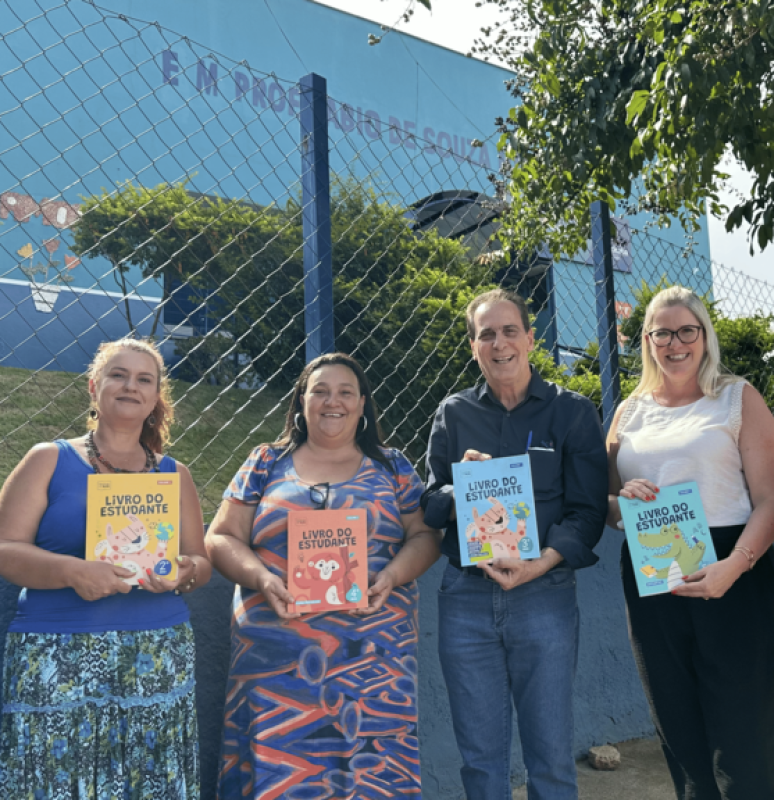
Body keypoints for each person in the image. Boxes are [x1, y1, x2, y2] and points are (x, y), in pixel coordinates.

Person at [207, 352, 440, 800]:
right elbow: (221, 538)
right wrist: (261, 579)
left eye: (345, 392)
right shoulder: (265, 462)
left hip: (373, 669)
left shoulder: (393, 467)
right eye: (320, 391)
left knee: (369, 776)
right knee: (279, 774)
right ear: (301, 401)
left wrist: (391, 575)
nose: (333, 401)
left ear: (362, 405)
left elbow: (425, 537)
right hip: (276, 668)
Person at [0, 337, 210, 799]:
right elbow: (5, 549)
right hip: (54, 653)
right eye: (118, 375)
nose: (129, 386)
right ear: (93, 387)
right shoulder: (48, 459)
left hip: (157, 657)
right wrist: (72, 572)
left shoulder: (174, 474)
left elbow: (201, 562)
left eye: (143, 379)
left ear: (156, 398)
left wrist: (183, 573)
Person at [421, 288, 608, 799]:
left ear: (530, 338)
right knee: (481, 763)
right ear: (473, 345)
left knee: (550, 759)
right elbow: (431, 504)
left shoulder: (572, 413)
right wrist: (461, 485)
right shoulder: (453, 414)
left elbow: (588, 510)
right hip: (467, 599)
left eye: (509, 331)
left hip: (543, 595)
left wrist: (542, 563)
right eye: (486, 334)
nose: (499, 343)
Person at [606, 286, 774, 800]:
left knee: (746, 744)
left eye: (687, 330)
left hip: (736, 569)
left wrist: (734, 566)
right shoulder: (629, 412)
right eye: (661, 332)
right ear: (646, 341)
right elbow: (607, 503)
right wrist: (625, 502)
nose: (675, 342)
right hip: (654, 571)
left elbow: (772, 500)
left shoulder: (737, 396)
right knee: (681, 737)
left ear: (705, 336)